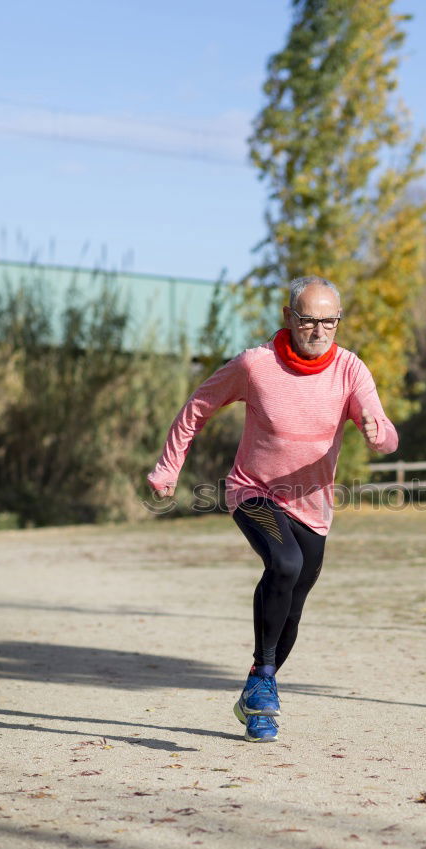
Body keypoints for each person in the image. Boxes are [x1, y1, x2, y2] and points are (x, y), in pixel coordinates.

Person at [147, 275, 398, 742]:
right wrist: (167, 470)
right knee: (284, 563)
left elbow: (386, 436)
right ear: (289, 318)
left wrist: (373, 429)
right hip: (252, 492)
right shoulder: (255, 365)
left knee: (294, 605)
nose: (319, 330)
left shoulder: (350, 370)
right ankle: (264, 680)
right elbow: (198, 406)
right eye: (309, 320)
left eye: (329, 321)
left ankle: (256, 693)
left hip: (313, 506)